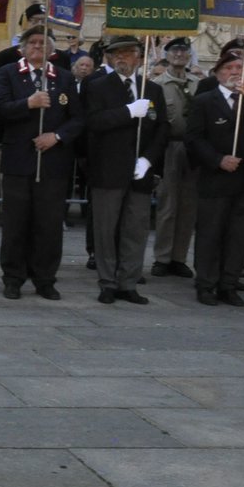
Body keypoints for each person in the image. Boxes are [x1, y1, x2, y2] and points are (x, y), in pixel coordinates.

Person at [0, 25, 82, 299]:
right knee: (15, 223)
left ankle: (45, 278)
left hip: (52, 161)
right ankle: (13, 277)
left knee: (49, 224)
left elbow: (78, 118)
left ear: (52, 50)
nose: (37, 47)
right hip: (19, 160)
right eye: (32, 42)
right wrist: (28, 104)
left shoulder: (64, 78)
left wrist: (57, 136)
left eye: (43, 43)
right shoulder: (8, 74)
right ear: (23, 47)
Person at [83, 35, 167, 304]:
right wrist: (127, 112)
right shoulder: (97, 86)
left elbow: (161, 129)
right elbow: (93, 122)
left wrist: (148, 160)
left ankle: (128, 283)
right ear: (108, 57)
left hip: (140, 172)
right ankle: (107, 281)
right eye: (115, 54)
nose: (121, 58)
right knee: (106, 230)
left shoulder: (152, 89)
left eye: (128, 53)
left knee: (136, 229)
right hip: (108, 169)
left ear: (139, 57)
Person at [186, 47, 244, 306]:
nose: (234, 73)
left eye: (238, 69)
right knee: (210, 233)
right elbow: (194, 138)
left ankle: (228, 284)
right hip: (216, 178)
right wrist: (218, 159)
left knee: (237, 236)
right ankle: (206, 283)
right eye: (229, 69)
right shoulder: (204, 101)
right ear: (218, 74)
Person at [151, 36, 199, 278]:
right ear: (166, 55)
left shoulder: (198, 84)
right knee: (167, 205)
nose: (179, 54)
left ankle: (179, 257)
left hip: (193, 150)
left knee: (189, 206)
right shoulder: (157, 84)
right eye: (175, 50)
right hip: (169, 147)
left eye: (183, 50)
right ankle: (162, 257)